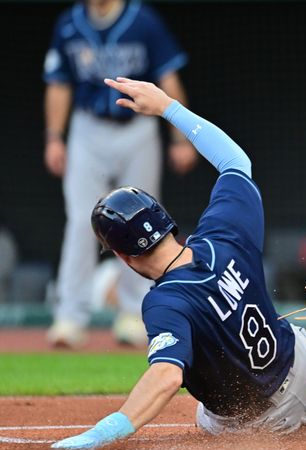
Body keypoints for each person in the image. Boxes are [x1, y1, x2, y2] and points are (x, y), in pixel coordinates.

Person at [51, 78, 306, 450]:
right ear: (165, 220)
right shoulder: (224, 235)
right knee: (301, 343)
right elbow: (235, 160)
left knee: (212, 417)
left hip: (262, 417)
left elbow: (167, 376)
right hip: (298, 360)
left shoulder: (165, 303)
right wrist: (168, 107)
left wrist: (111, 427)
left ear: (122, 255)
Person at [43, 0, 198, 348]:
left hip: (136, 127)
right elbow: (59, 83)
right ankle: (70, 316)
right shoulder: (69, 23)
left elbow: (167, 79)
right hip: (87, 128)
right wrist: (54, 136)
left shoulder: (142, 20)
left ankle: (134, 313)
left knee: (143, 221)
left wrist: (180, 136)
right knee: (81, 220)